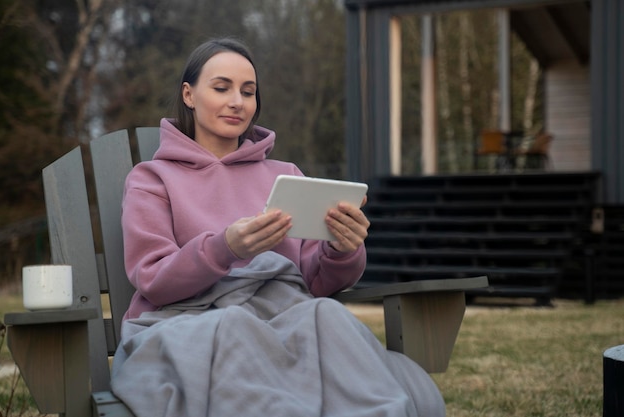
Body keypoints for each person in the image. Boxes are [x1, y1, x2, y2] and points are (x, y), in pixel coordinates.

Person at [111, 37, 444, 417]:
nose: (238, 101)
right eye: (222, 88)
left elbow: (319, 282)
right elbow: (154, 280)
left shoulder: (284, 176)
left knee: (327, 315)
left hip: (286, 316)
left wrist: (343, 248)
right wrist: (226, 248)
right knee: (234, 326)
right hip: (187, 320)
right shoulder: (152, 179)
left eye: (248, 92)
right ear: (189, 94)